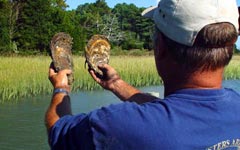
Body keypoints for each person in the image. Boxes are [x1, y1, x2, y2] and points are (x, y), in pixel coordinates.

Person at [45, 0, 240, 149]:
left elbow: (58, 131)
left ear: (160, 47)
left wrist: (61, 88)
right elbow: (178, 114)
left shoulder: (118, 124)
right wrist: (117, 84)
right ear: (229, 50)